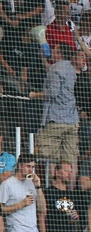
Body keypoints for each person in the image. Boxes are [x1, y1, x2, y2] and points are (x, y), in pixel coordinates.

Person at [30, 44, 80, 186]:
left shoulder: (56, 69)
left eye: (55, 50)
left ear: (59, 53)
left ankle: (51, 190)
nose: (52, 51)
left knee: (50, 157)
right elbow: (53, 73)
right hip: (72, 121)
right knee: (70, 159)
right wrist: (42, 57)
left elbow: (52, 93)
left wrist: (34, 95)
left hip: (56, 120)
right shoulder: (71, 68)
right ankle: (70, 194)